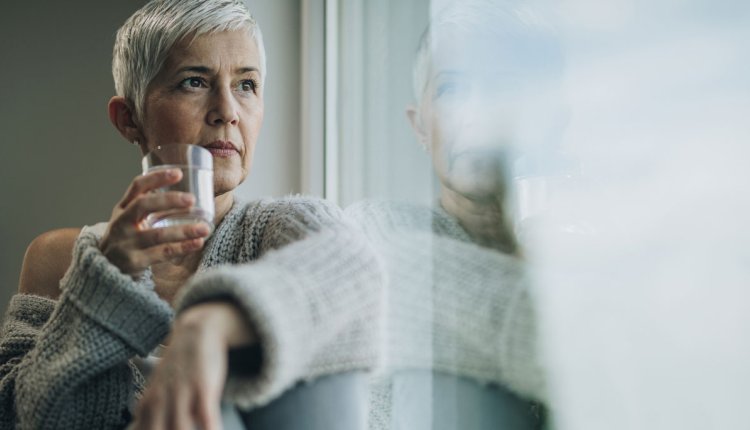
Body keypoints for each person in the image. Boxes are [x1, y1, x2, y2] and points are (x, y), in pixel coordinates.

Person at [0, 1, 383, 429]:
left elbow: (357, 270)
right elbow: (17, 416)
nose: (227, 111)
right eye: (194, 81)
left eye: (247, 85)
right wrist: (106, 280)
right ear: (129, 119)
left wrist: (209, 324)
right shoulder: (59, 259)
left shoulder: (284, 228)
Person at [343, 1, 565, 427]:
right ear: (420, 126)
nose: (475, 113)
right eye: (451, 89)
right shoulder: (379, 232)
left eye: (503, 88)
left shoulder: (566, 252)